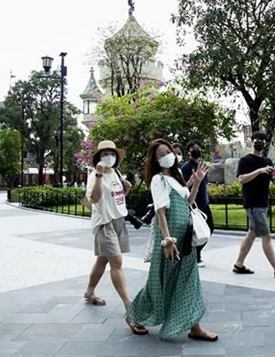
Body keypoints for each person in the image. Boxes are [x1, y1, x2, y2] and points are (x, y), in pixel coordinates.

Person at [126, 139, 218, 341]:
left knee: (188, 279)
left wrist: (197, 183)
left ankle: (195, 327)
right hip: (171, 239)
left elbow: (188, 204)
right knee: (160, 281)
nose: (167, 155)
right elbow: (160, 210)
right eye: (161, 154)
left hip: (185, 238)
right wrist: (168, 240)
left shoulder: (176, 178)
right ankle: (136, 315)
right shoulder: (158, 180)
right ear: (155, 160)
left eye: (168, 151)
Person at [83, 140, 148, 335]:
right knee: (117, 262)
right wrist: (99, 174)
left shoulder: (116, 173)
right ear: (98, 157)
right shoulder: (95, 175)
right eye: (105, 153)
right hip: (104, 223)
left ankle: (89, 292)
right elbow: (94, 199)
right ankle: (130, 307)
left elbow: (116, 197)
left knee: (103, 260)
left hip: (118, 220)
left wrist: (125, 189)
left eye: (112, 153)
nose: (109, 156)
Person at [233, 131, 275, 281]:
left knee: (252, 234)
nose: (259, 142)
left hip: (263, 203)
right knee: (266, 235)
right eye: (257, 139)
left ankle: (239, 264)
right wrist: (259, 171)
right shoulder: (245, 161)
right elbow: (241, 180)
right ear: (252, 142)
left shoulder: (267, 161)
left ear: (265, 143)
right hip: (253, 204)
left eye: (262, 140)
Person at [180, 140, 214, 267]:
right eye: (194, 148)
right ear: (188, 151)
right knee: (196, 230)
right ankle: (194, 254)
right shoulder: (186, 167)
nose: (197, 150)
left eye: (198, 148)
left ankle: (196, 253)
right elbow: (182, 186)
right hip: (194, 203)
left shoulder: (201, 166)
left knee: (209, 228)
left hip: (204, 202)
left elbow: (204, 183)